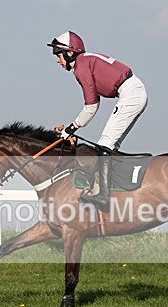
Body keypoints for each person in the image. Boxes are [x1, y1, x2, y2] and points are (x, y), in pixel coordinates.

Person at [47, 31, 148, 211]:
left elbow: (91, 106)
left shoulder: (80, 68)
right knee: (111, 145)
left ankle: (103, 196)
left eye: (58, 54)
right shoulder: (85, 61)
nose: (57, 60)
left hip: (130, 94)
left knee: (104, 145)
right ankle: (117, 189)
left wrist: (71, 128)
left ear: (70, 53)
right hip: (133, 91)